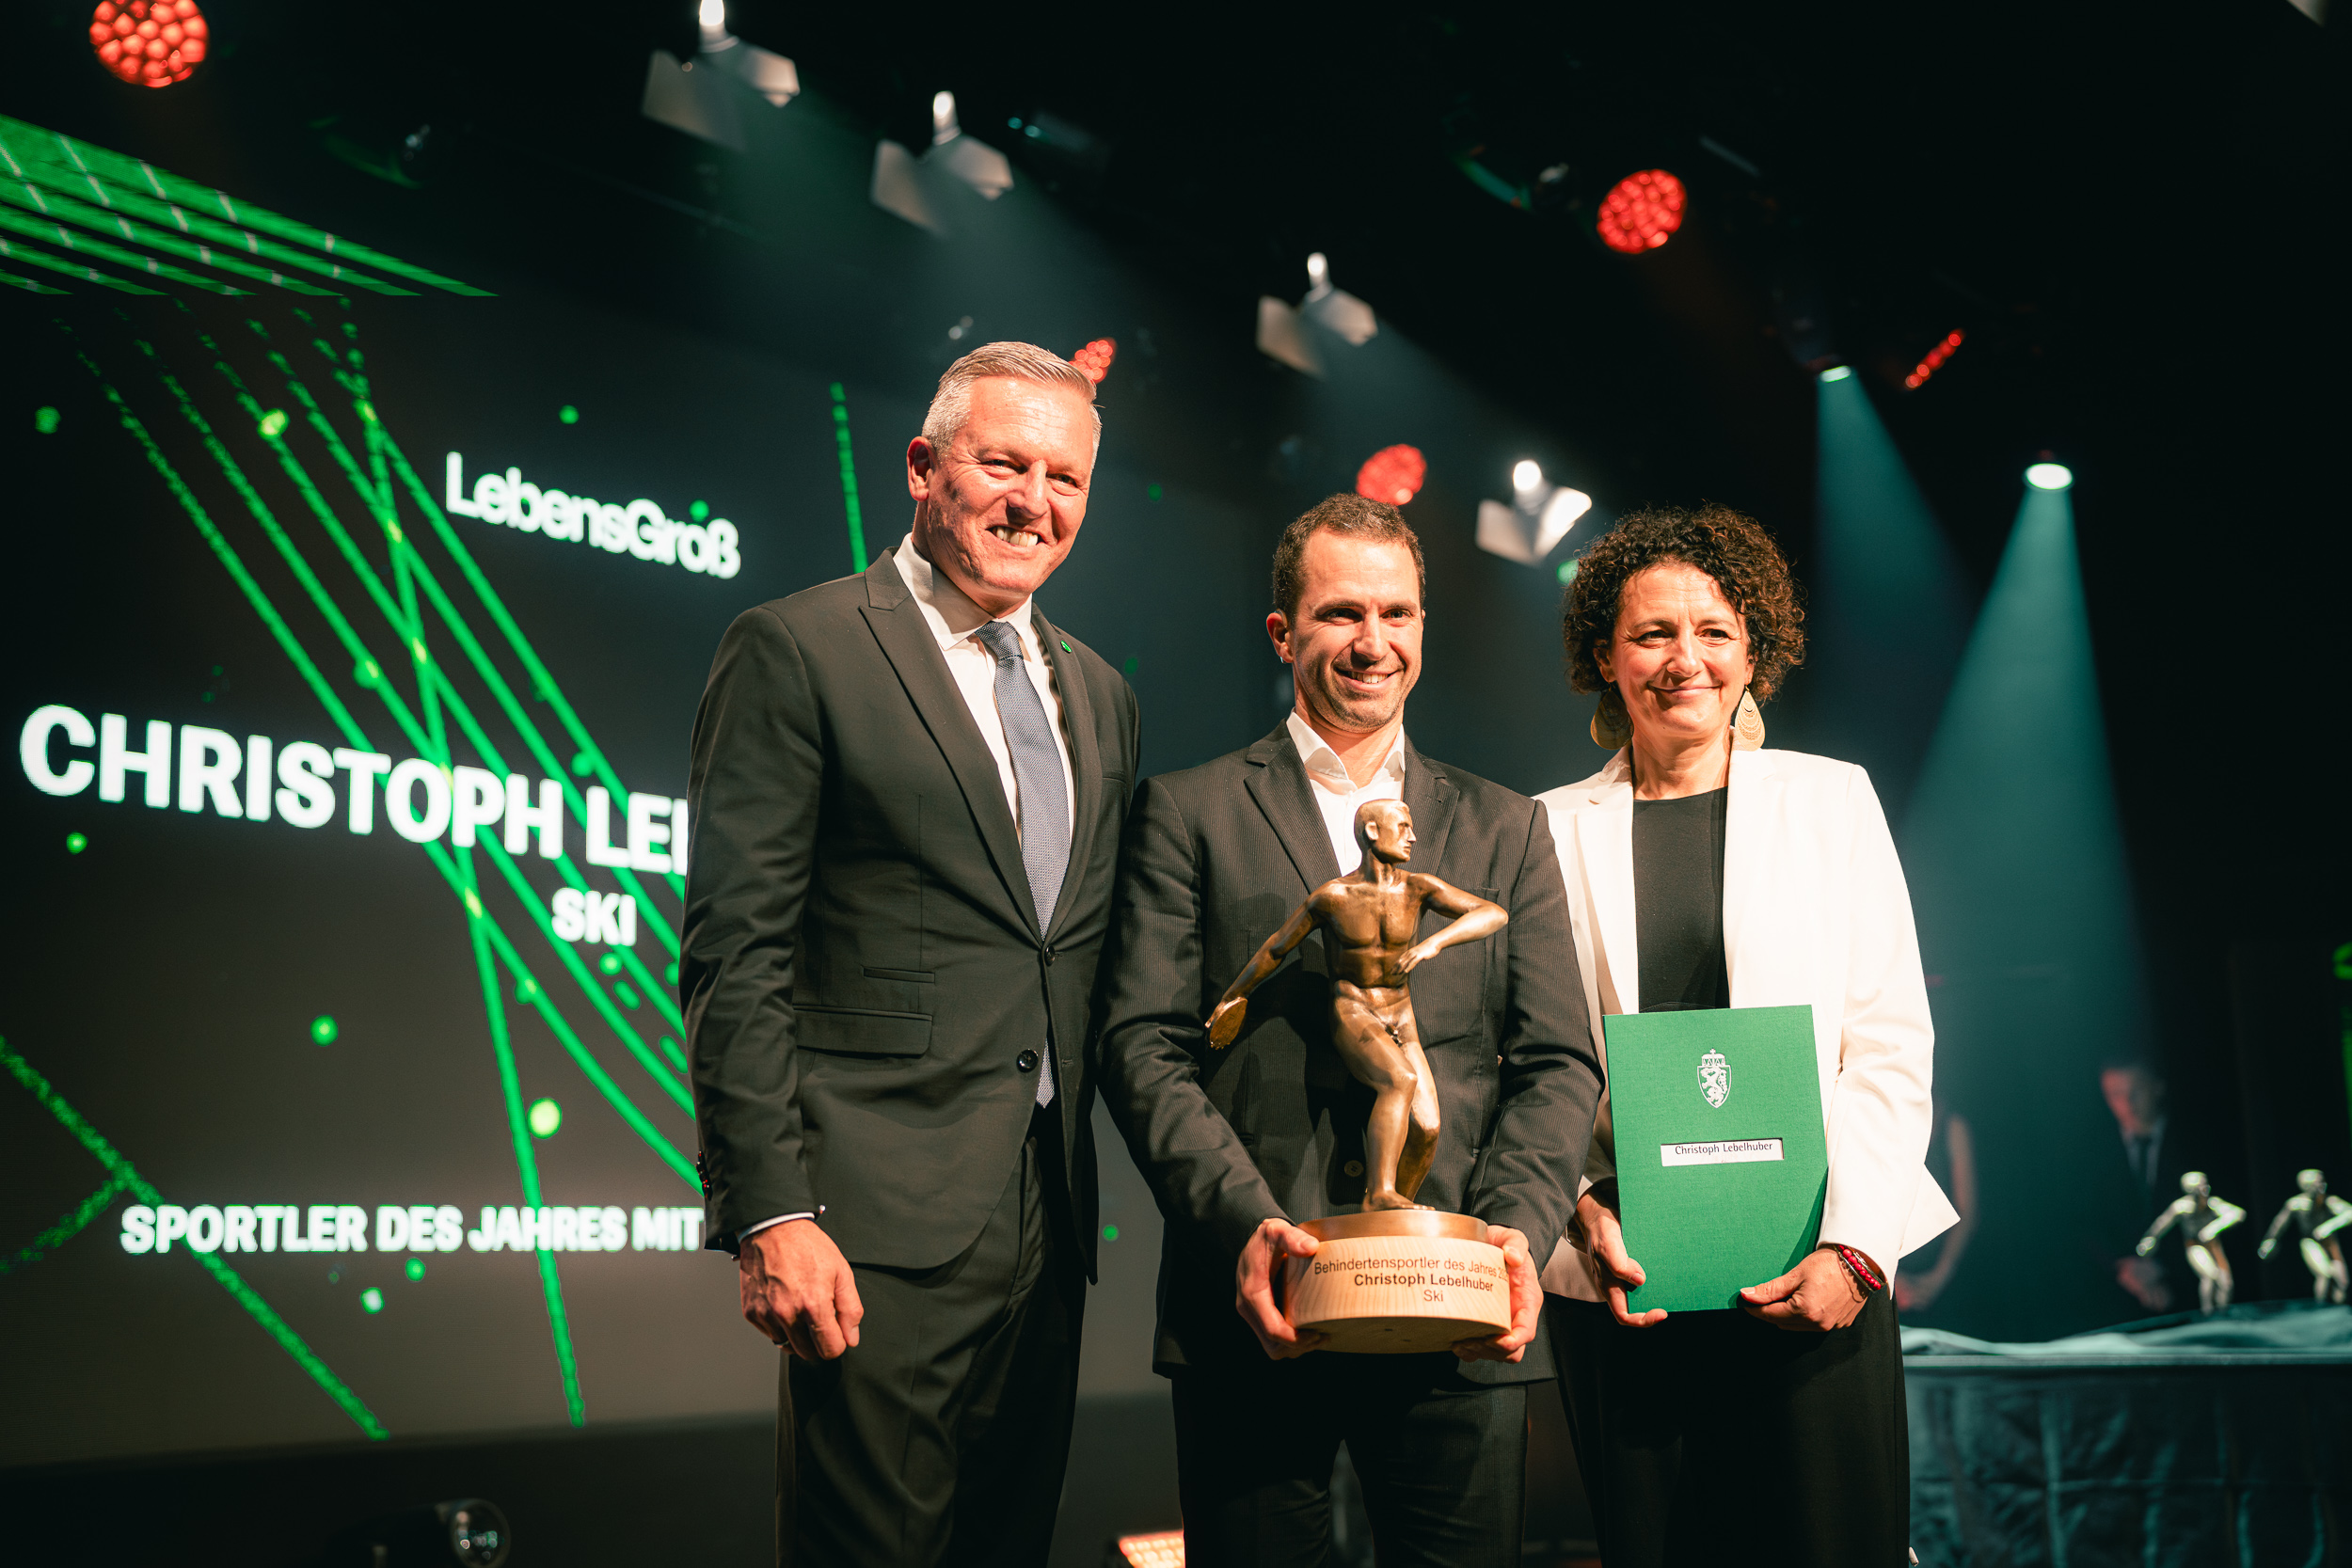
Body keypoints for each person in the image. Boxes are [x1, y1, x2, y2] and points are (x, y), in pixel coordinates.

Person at [682, 342, 1139, 1566]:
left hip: (1048, 1218)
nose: (1033, 501)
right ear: (922, 466)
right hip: (868, 1222)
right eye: (1003, 463)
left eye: (1064, 478)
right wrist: (769, 1207)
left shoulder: (1101, 693)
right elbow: (736, 951)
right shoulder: (799, 645)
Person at [1097, 494, 1601, 1567]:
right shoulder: (1187, 811)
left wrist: (1510, 1234)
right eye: (1341, 613)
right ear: (1283, 632)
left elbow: (1557, 1060)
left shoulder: (1508, 827)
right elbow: (1142, 1046)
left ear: (1422, 626)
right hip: (1255, 1303)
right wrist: (1244, 1225)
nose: (1374, 642)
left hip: (1459, 1304)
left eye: (1397, 613)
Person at [1534, 502, 1958, 1565]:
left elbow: (1889, 1041)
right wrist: (1578, 1209)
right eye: (1653, 633)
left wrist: (1854, 1251)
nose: (1687, 659)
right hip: (1627, 1282)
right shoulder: (1540, 827)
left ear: (1753, 650)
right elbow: (1521, 1057)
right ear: (1605, 657)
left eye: (1714, 631)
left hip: (1814, 1274)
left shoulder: (1832, 801)